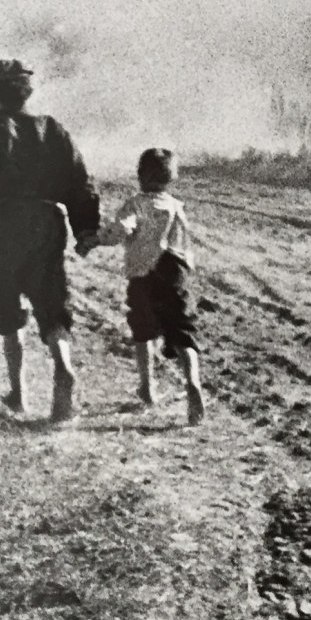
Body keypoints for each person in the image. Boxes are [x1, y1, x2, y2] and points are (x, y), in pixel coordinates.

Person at [0, 60, 101, 422]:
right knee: (52, 301)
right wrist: (85, 229)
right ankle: (63, 365)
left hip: (6, 221)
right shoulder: (52, 128)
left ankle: (18, 394)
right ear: (28, 92)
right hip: (47, 220)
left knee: (8, 306)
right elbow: (80, 180)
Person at [92, 148, 205, 425]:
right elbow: (185, 241)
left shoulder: (135, 205)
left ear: (140, 175)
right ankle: (193, 382)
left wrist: (100, 238)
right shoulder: (176, 206)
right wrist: (186, 270)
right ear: (171, 178)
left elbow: (122, 229)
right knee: (182, 332)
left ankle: (147, 387)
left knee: (143, 332)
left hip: (143, 276)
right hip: (174, 273)